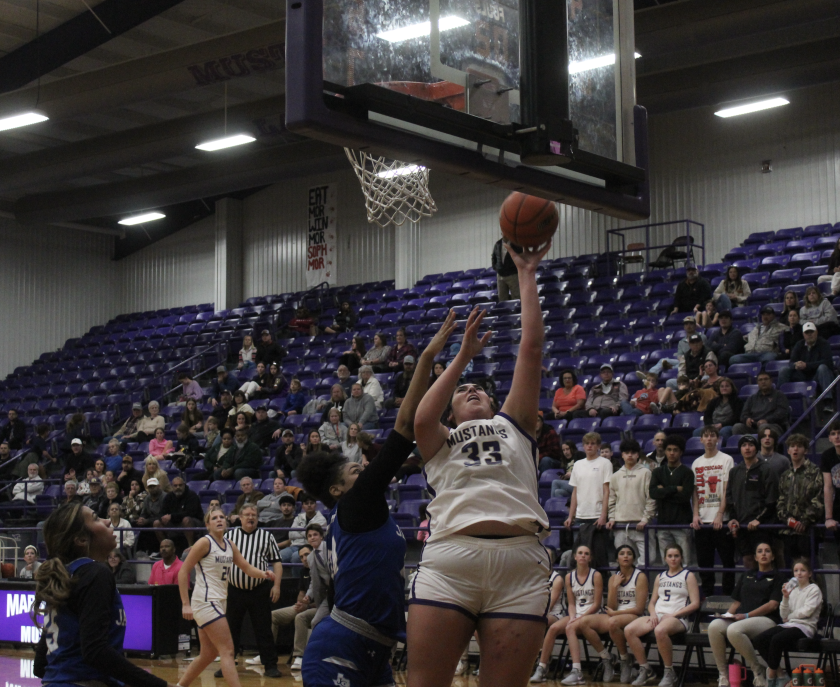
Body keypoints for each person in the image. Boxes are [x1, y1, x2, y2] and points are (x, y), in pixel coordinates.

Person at [409, 243, 552, 687]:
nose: (472, 390)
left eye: (480, 390)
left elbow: (530, 351)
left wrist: (526, 273)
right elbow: (419, 417)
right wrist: (462, 358)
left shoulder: (516, 425)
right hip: (453, 557)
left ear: (493, 403)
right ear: (451, 410)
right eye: (461, 390)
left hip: (520, 562)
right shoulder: (440, 439)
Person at [294, 311, 453, 687]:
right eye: (354, 471)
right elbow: (402, 428)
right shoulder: (354, 504)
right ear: (336, 490)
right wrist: (427, 359)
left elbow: (337, 591)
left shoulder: (348, 521)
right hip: (342, 647)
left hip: (373, 649)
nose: (362, 470)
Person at [32, 503, 171, 687]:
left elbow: (40, 666)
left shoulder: (65, 576)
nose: (107, 521)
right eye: (96, 518)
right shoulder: (95, 573)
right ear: (82, 539)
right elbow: (95, 652)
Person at [177, 506, 275, 687]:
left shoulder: (230, 545)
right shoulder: (204, 543)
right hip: (205, 601)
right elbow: (183, 572)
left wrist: (264, 573)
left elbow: (246, 567)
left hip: (219, 602)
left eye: (222, 517)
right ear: (207, 524)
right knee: (228, 651)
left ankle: (179, 686)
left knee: (208, 654)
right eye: (214, 518)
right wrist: (185, 603)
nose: (219, 520)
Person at [707, 541, 783, 687]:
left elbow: (772, 605)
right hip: (742, 619)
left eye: (767, 551)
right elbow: (736, 602)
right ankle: (723, 675)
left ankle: (757, 671)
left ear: (773, 556)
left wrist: (747, 615)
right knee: (714, 626)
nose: (763, 554)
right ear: (755, 557)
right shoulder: (747, 575)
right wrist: (727, 616)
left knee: (734, 630)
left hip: (766, 620)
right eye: (760, 551)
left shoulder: (778, 577)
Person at [624, 544, 700, 687]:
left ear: (681, 557)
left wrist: (674, 614)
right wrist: (653, 614)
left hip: (678, 618)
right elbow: (652, 602)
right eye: (670, 556)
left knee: (660, 630)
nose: (673, 559)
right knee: (629, 630)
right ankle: (645, 668)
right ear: (665, 558)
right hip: (658, 615)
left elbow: (695, 604)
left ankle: (669, 672)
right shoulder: (660, 577)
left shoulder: (688, 576)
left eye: (676, 556)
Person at [221, 503, 283, 679]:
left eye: (253, 515)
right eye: (247, 514)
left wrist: (276, 585)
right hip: (234, 590)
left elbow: (277, 562)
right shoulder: (229, 535)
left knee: (264, 629)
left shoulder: (266, 536)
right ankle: (227, 665)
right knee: (230, 630)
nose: (250, 517)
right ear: (240, 517)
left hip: (259, 589)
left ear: (258, 517)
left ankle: (270, 665)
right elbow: (222, 562)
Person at [754, 559, 824, 687]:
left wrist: (790, 616)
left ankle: (771, 677)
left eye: (803, 570)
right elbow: (783, 615)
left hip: (805, 627)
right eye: (796, 570)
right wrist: (785, 597)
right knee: (760, 639)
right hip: (789, 624)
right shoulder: (793, 590)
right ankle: (781, 675)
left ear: (809, 573)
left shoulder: (814, 589)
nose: (799, 573)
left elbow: (806, 612)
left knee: (776, 639)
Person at [690, 425, 736, 597]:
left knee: (727, 562)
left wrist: (720, 514)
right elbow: (695, 492)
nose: (709, 439)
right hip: (703, 520)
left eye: (712, 436)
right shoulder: (697, 463)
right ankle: (708, 597)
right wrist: (695, 514)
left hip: (721, 520)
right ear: (701, 440)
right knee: (704, 563)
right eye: (706, 436)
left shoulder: (726, 459)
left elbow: (727, 490)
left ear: (718, 439)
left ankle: (728, 597)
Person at [726, 436, 779, 568]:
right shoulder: (734, 471)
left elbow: (772, 499)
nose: (747, 448)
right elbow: (730, 497)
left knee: (765, 562)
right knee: (747, 560)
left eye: (750, 445)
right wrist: (733, 518)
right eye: (744, 445)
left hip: (762, 526)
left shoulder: (766, 469)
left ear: (756, 448)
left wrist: (759, 519)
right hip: (742, 526)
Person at [556, 545, 606, 685]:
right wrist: (572, 617)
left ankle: (577, 671)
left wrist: (580, 618)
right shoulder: (568, 577)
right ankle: (542, 666)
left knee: (570, 628)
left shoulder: (596, 575)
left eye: (586, 553)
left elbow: (596, 604)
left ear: (590, 558)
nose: (583, 555)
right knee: (556, 628)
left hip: (595, 614)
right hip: (577, 615)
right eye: (580, 553)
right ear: (575, 556)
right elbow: (571, 603)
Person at [562, 431, 612, 568]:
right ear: (583, 446)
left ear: (598, 446)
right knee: (579, 558)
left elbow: (607, 491)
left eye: (593, 444)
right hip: (580, 516)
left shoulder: (605, 463)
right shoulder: (578, 464)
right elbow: (575, 492)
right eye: (587, 444)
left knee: (599, 557)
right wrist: (570, 516)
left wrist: (603, 515)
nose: (589, 446)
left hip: (597, 517)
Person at [776, 434, 824, 565]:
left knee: (809, 566)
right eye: (792, 446)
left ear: (806, 450)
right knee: (794, 566)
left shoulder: (815, 471)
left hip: (809, 529)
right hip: (789, 530)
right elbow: (780, 501)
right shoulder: (785, 475)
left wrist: (804, 521)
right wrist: (788, 520)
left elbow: (819, 499)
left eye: (799, 446)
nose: (795, 449)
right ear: (788, 450)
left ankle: (816, 586)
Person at [608, 439, 656, 568]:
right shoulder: (615, 476)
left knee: (649, 557)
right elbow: (611, 500)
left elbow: (651, 498)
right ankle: (631, 586)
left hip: (641, 524)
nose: (630, 455)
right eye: (626, 452)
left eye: (633, 452)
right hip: (620, 525)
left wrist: (646, 519)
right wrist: (612, 518)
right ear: (622, 455)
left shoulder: (646, 473)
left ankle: (638, 580)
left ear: (637, 455)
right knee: (624, 561)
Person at [650, 435, 694, 566]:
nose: (672, 453)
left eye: (675, 450)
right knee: (666, 563)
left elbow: (685, 496)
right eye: (669, 449)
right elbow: (653, 493)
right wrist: (675, 488)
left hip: (682, 524)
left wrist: (663, 490)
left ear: (680, 452)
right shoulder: (658, 472)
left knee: (685, 563)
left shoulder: (687, 472)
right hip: (663, 524)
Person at [269, 543, 314, 667]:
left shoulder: (321, 569)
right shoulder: (303, 571)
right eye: (301, 557)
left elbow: (325, 599)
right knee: (272, 616)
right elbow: (301, 592)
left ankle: (299, 656)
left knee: (301, 617)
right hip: (304, 606)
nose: (304, 558)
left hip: (318, 608)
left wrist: (307, 606)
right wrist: (299, 604)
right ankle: (267, 653)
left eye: (307, 555)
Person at [779, 321, 835, 393]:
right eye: (807, 332)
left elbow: (827, 362)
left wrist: (806, 365)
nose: (809, 334)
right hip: (802, 375)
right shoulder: (799, 344)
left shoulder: (824, 343)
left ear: (816, 332)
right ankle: (781, 398)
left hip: (817, 375)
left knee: (822, 368)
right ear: (803, 334)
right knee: (784, 370)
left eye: (811, 332)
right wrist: (796, 365)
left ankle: (827, 399)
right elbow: (791, 362)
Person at [732, 371, 790, 436]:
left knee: (763, 427)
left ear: (771, 381)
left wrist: (767, 420)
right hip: (754, 426)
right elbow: (743, 414)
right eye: (760, 380)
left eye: (766, 379)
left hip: (773, 426)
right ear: (757, 382)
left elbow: (782, 413)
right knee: (737, 427)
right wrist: (747, 419)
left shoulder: (779, 395)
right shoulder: (752, 398)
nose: (763, 382)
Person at [281, 492, 327, 572]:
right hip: (294, 545)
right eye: (306, 503)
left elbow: (312, 536)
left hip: (310, 546)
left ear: (315, 505)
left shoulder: (321, 519)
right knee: (279, 556)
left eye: (311, 503)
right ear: (302, 506)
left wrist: (299, 529)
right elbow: (291, 534)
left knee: (296, 557)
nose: (309, 505)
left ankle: (297, 581)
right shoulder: (298, 517)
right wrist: (306, 532)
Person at [156, 476, 204, 545]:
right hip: (174, 523)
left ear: (184, 485)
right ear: (172, 487)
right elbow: (161, 512)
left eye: (180, 485)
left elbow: (191, 513)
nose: (178, 487)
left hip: (194, 522)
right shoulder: (169, 497)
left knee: (186, 520)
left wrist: (172, 516)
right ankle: (165, 546)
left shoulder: (192, 495)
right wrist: (163, 518)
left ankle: (190, 547)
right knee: (156, 523)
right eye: (175, 486)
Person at [821, 420, 840, 534]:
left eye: (839, 433)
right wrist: (828, 518)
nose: (837, 436)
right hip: (838, 505)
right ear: (829, 438)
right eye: (833, 434)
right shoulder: (827, 455)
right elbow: (828, 487)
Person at [492, 236, 521, 301]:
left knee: (516, 297)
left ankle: (517, 310)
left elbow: (520, 256)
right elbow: (493, 257)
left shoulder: (515, 244)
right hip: (500, 275)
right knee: (502, 298)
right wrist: (496, 267)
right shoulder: (498, 244)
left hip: (512, 275)